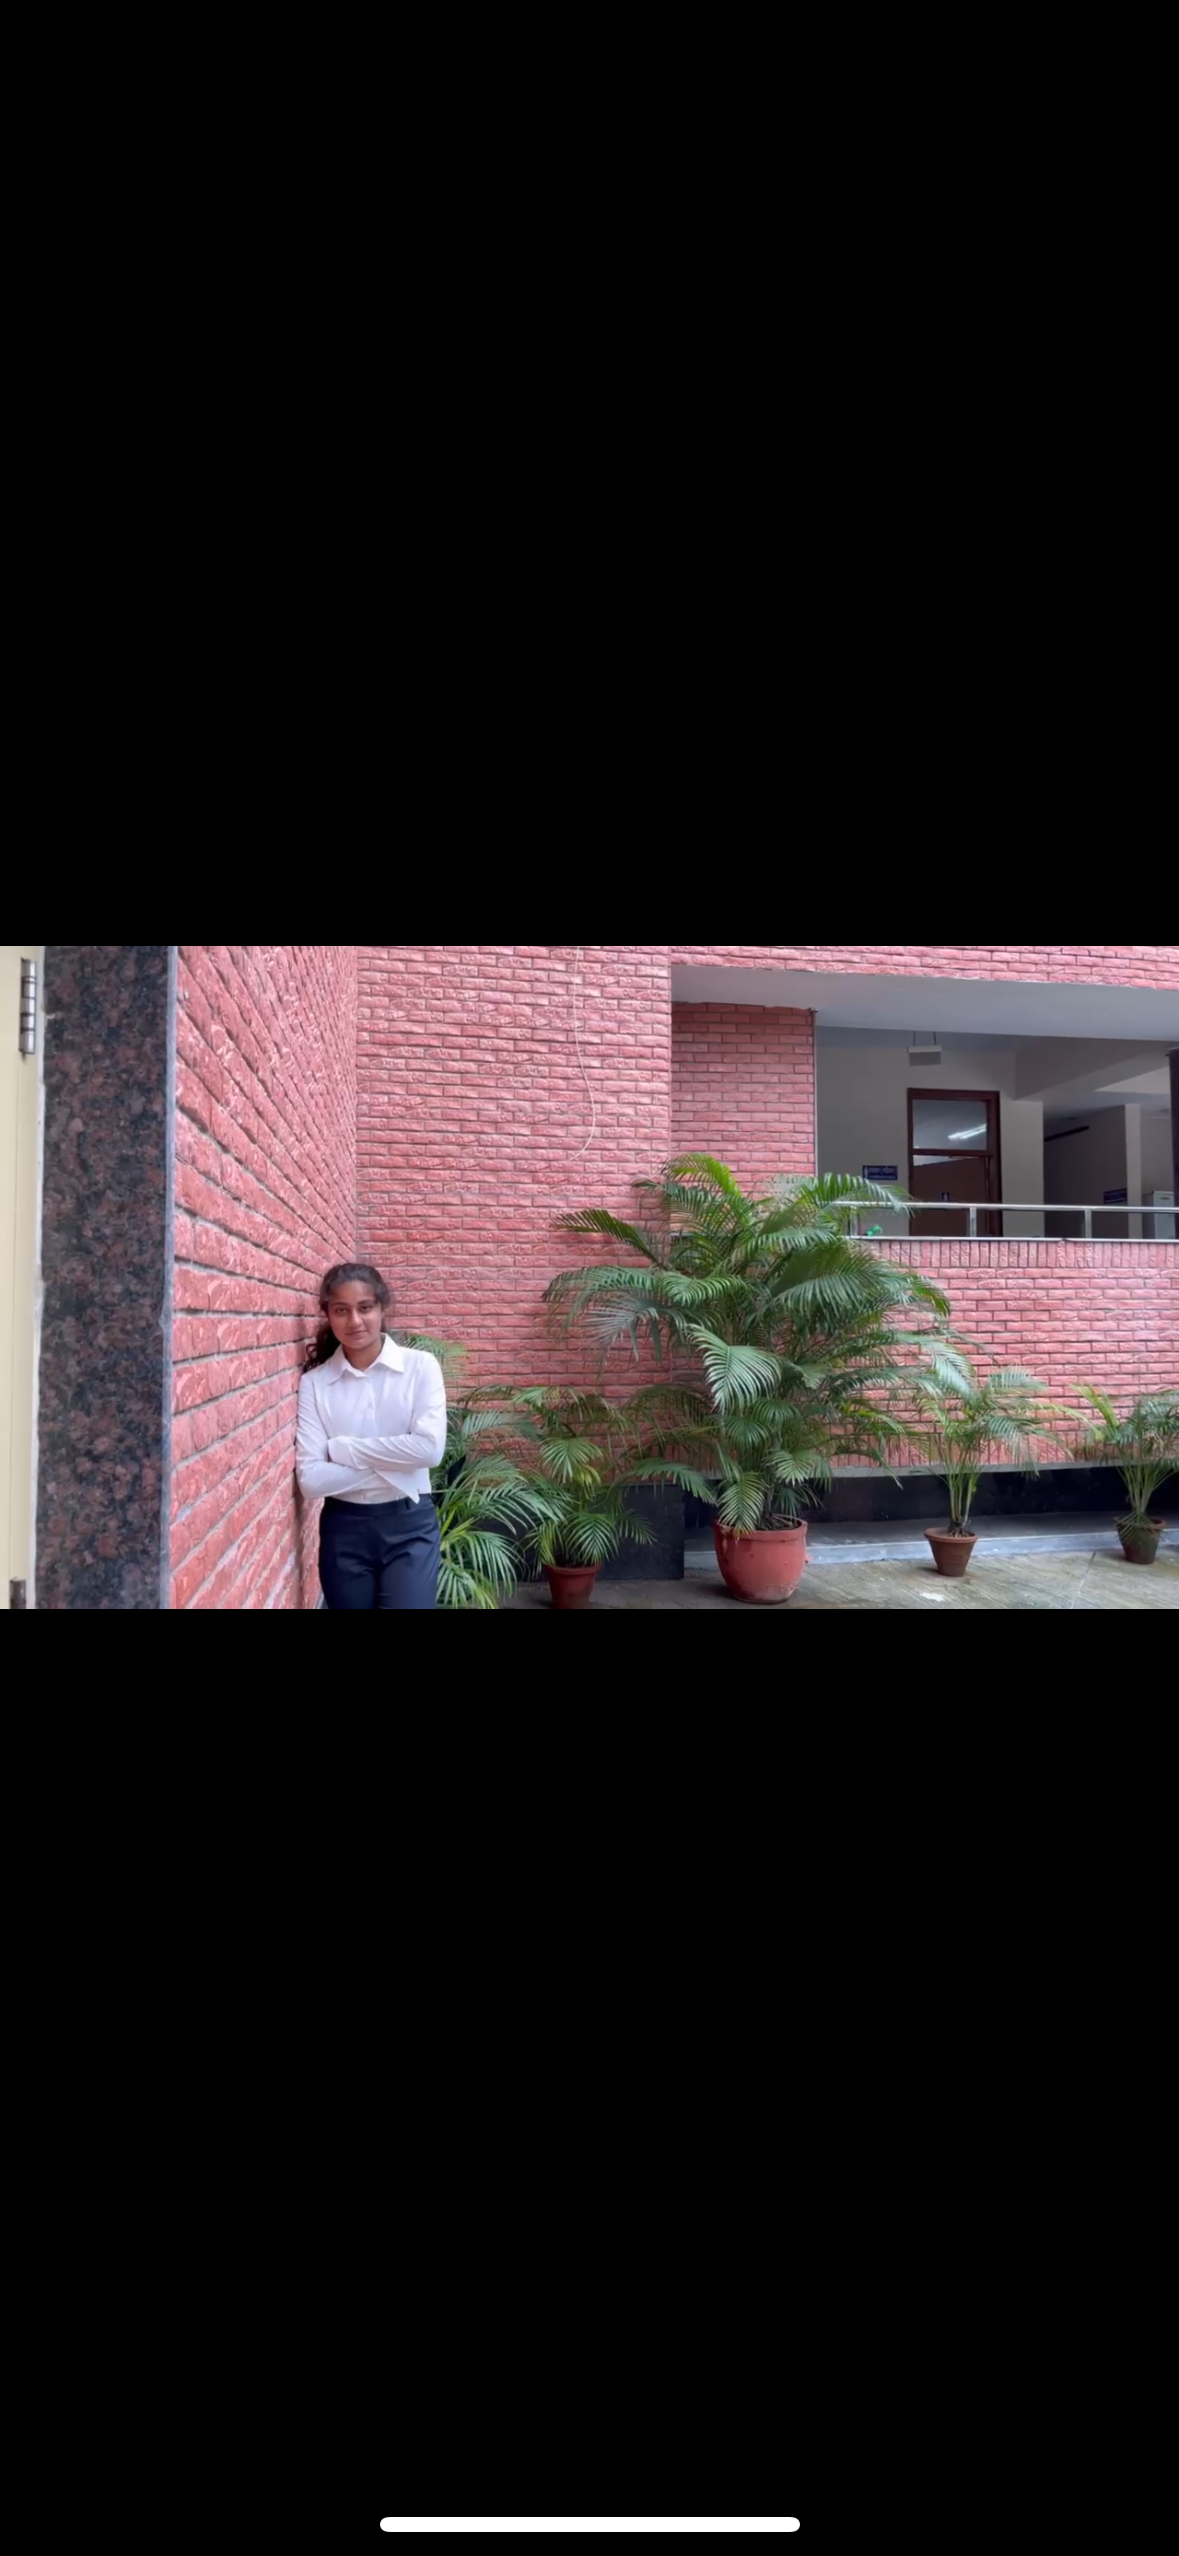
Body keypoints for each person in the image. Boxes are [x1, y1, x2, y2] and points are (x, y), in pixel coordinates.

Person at [296, 1263, 447, 1610]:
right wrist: (398, 1467)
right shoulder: (315, 1384)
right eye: (341, 1310)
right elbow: (311, 1480)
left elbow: (428, 1450)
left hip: (410, 1525)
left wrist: (343, 1450)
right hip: (343, 1529)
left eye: (365, 1307)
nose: (354, 1321)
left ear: (382, 1308)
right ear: (328, 1315)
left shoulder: (420, 1367)